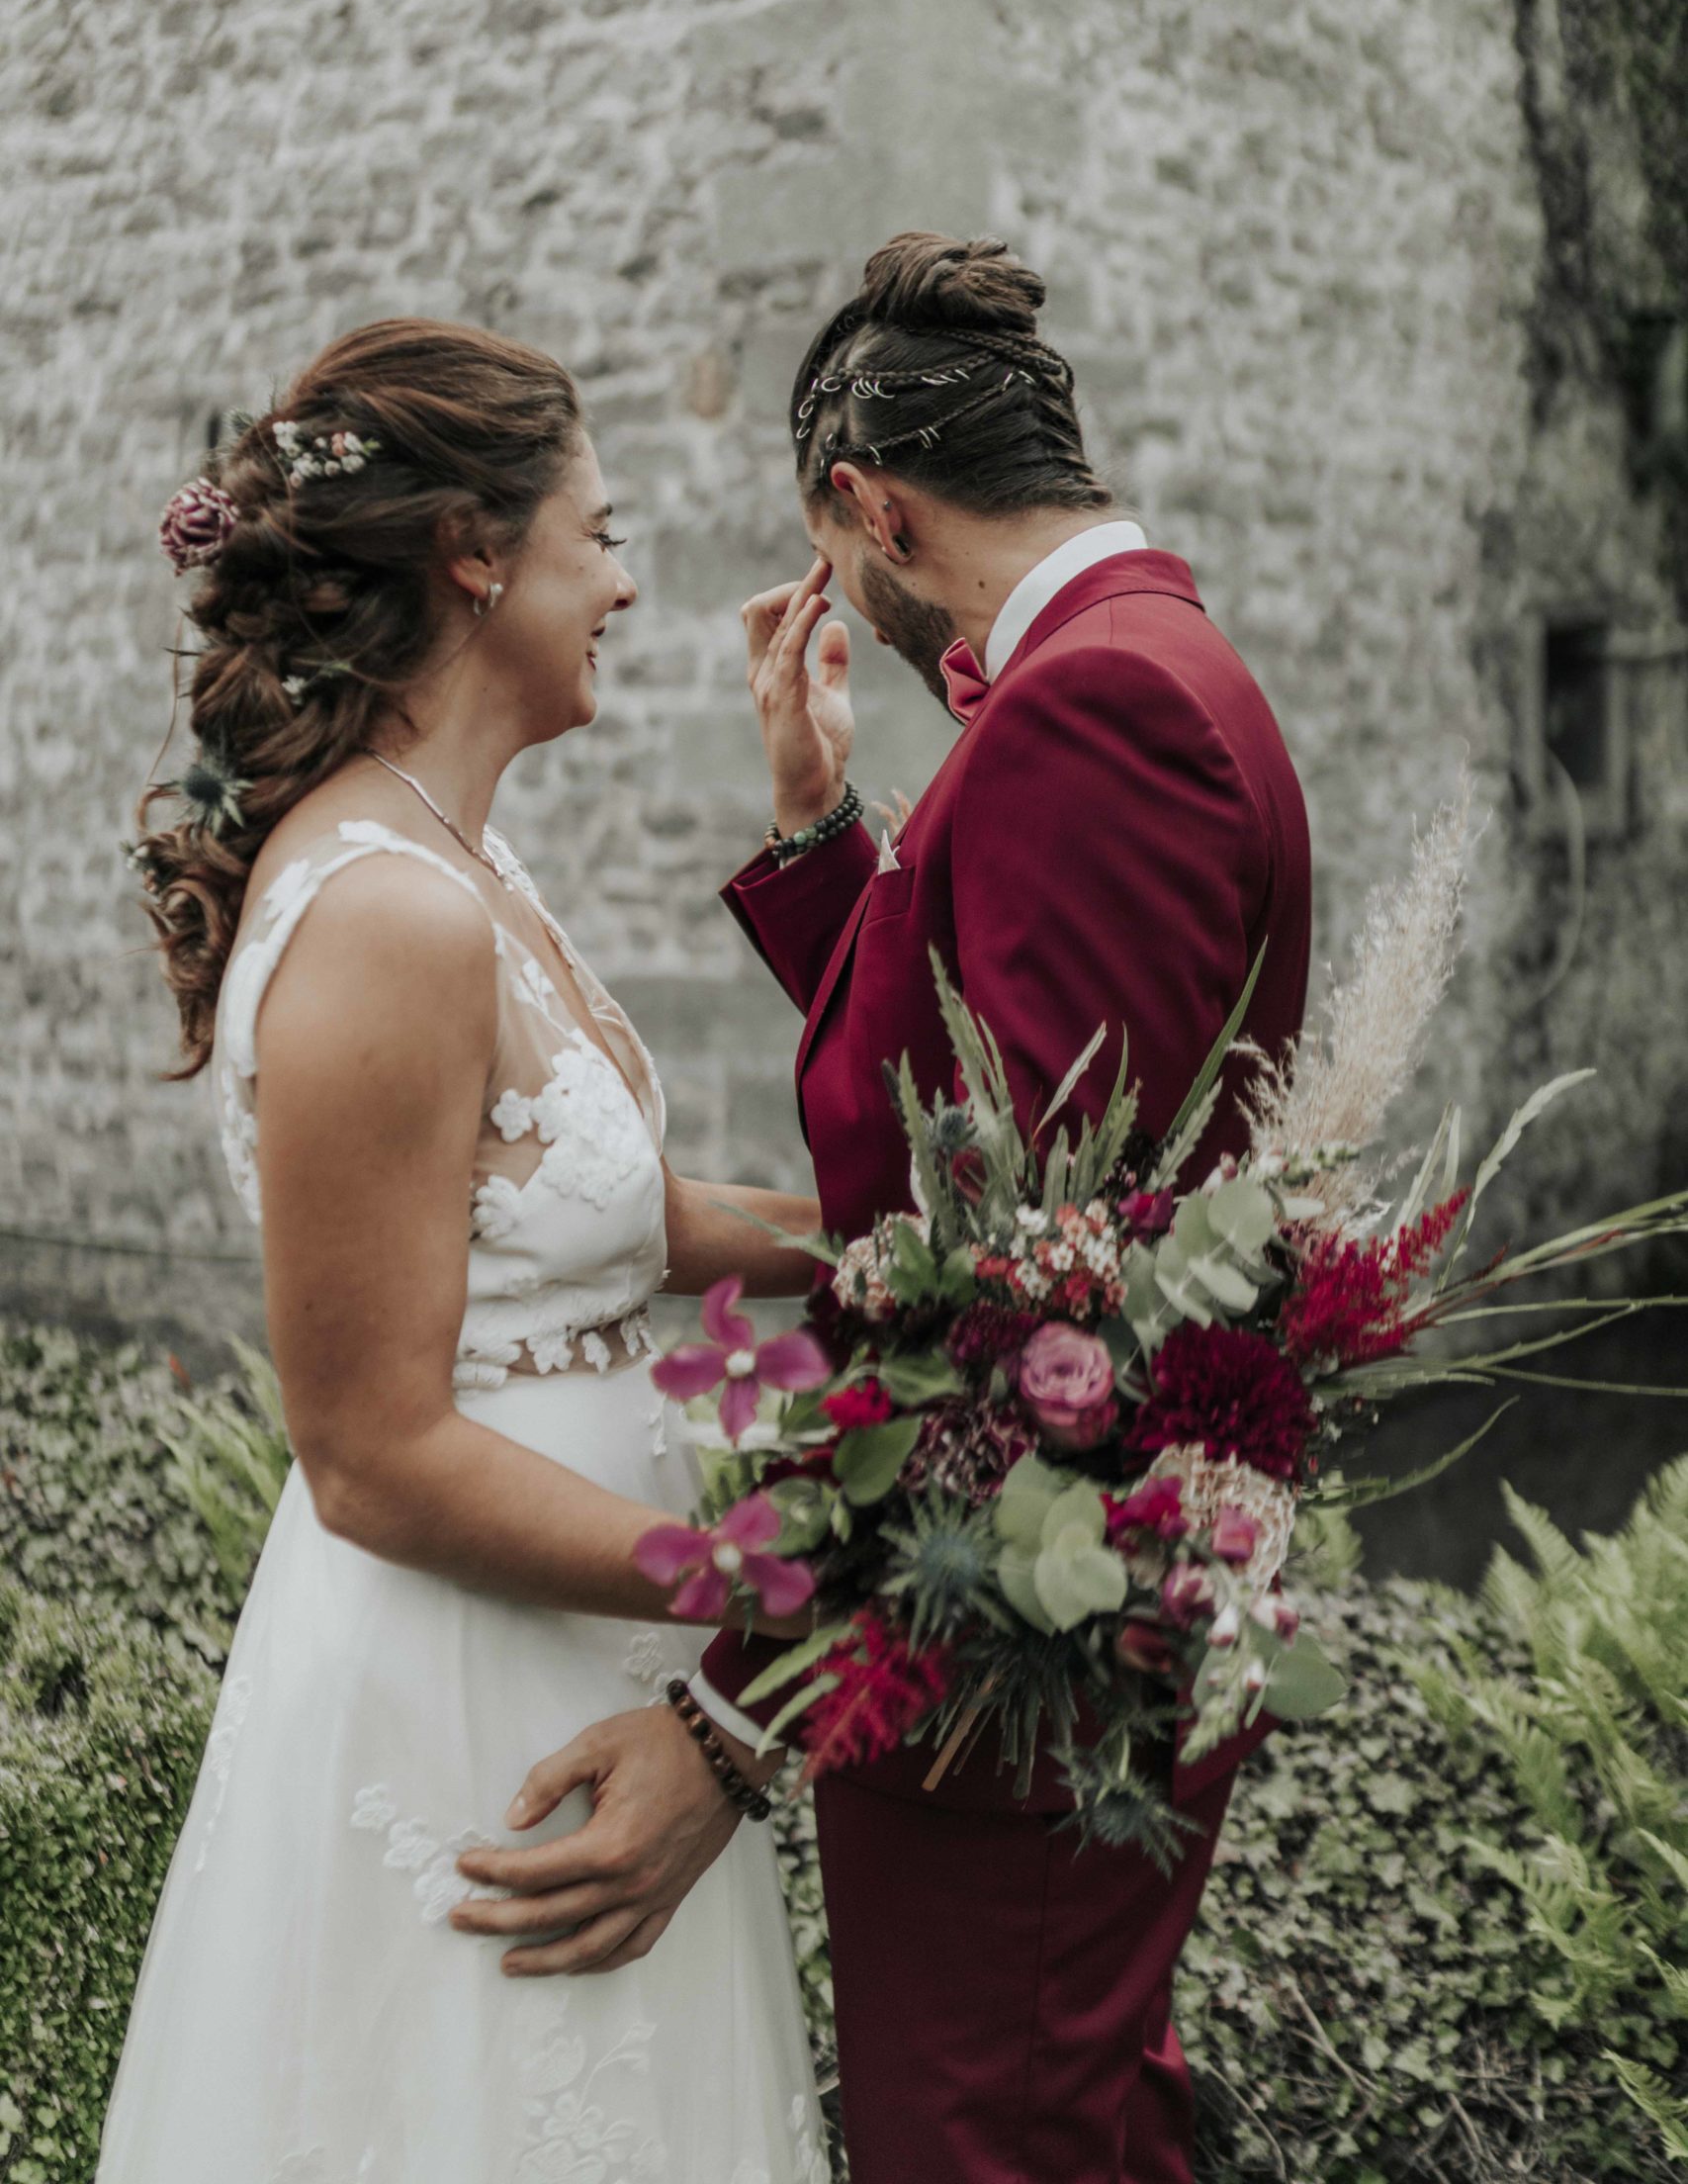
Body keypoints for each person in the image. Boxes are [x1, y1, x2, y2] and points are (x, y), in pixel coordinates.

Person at [458, 235, 1314, 2184]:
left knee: (986, 2145)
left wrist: (741, 1716)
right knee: (1084, 2127)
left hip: (1012, 1626)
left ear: (861, 503)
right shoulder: (1146, 677)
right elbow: (1003, 1150)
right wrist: (821, 832)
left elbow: (1007, 1301)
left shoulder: (1096, 717)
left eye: (823, 547)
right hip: (1057, 1592)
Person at [99, 318, 829, 2184]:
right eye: (602, 527)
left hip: (589, 1655)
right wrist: (768, 1580)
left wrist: (920, 1263)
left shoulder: (467, 864)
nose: (629, 576)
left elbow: (623, 1224)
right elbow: (368, 1452)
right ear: (477, 554)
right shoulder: (388, 916)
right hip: (465, 1698)